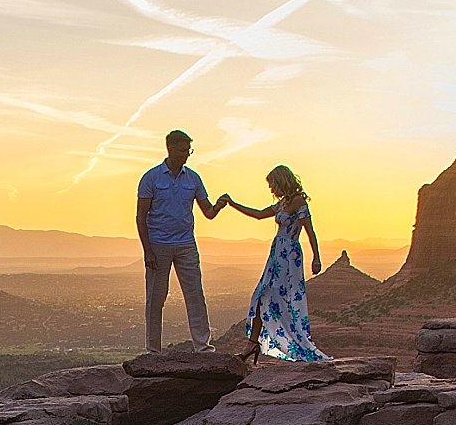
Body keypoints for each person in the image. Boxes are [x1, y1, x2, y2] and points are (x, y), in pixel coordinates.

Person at [221, 164, 327, 361]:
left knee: (281, 298)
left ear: (281, 181)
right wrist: (232, 203)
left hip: (289, 256)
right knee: (263, 296)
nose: (271, 190)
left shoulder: (298, 201)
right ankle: (253, 344)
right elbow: (259, 214)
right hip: (277, 253)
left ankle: (283, 343)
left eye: (273, 185)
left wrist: (316, 257)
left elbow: (310, 230)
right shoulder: (283, 203)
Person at [135, 129, 223, 351]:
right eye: (183, 150)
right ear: (170, 148)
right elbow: (140, 216)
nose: (187, 155)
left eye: (189, 151)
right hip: (158, 244)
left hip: (186, 244)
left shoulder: (193, 178)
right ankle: (153, 350)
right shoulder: (151, 178)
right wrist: (148, 250)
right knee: (156, 299)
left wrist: (221, 205)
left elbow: (208, 212)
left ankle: (203, 347)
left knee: (195, 295)